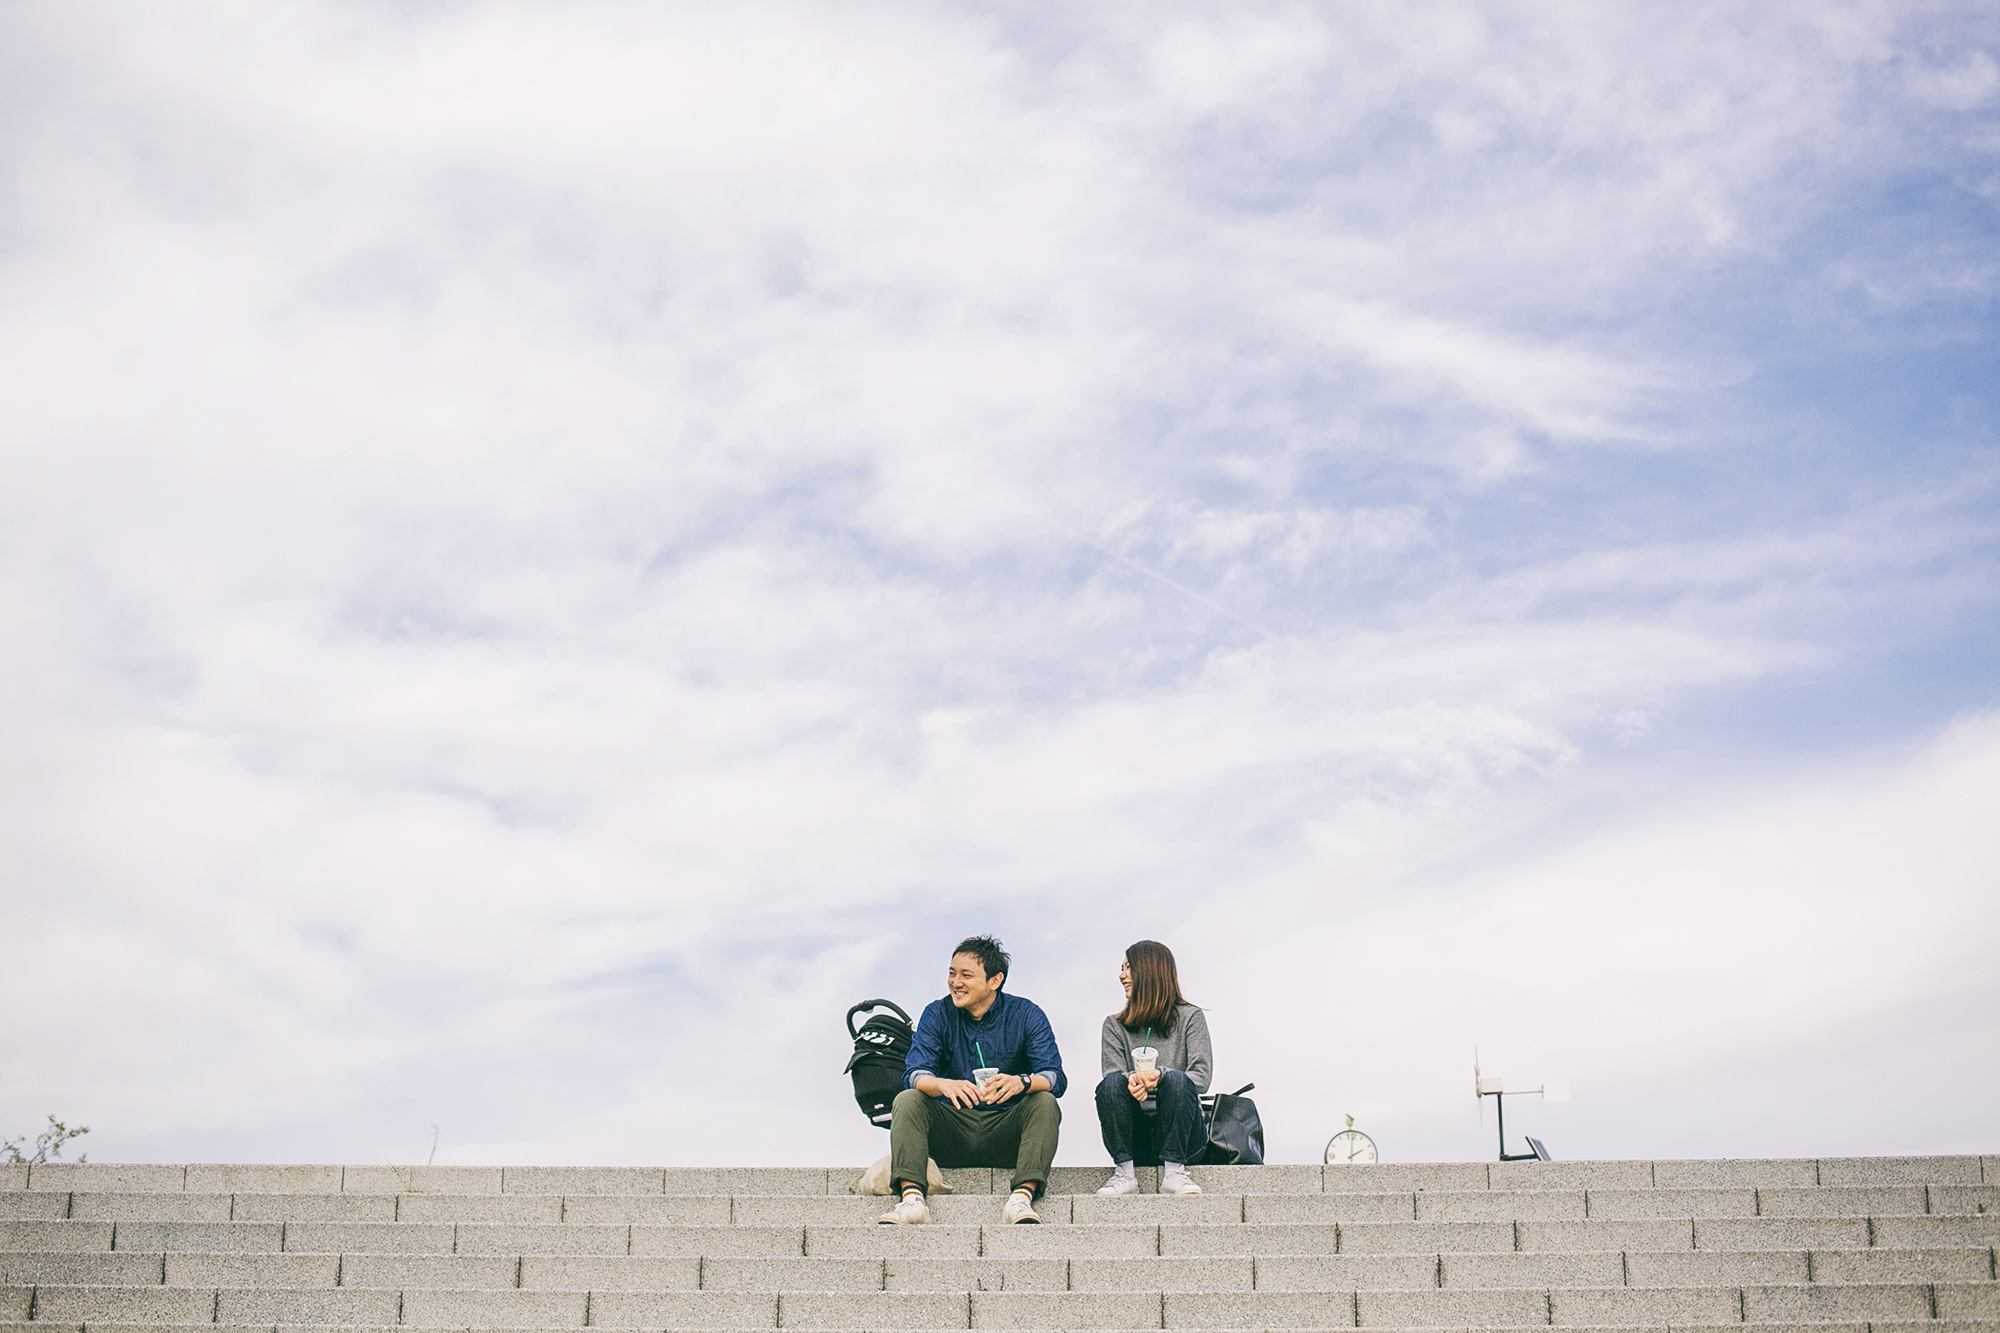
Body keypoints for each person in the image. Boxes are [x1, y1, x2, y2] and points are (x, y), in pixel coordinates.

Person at [880, 935, 1067, 1225]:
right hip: (951, 1130)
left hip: (1006, 1132)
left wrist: (1022, 1082)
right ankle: (913, 1200)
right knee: (908, 1099)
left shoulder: (1026, 1014)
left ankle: (1021, 1198)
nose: (956, 982)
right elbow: (914, 1074)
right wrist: (943, 1084)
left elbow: (1055, 1077)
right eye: (952, 973)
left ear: (995, 981)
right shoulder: (937, 1013)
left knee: (1044, 1101)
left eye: (966, 975)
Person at [1096, 939, 1211, 1196]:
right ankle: (1125, 1174)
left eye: (1128, 968)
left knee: (1179, 1080)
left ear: (1148, 973)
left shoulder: (1191, 1018)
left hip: (1183, 1134)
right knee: (1111, 1084)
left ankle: (1174, 1172)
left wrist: (1161, 1076)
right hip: (1135, 1137)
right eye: (1121, 968)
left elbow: (1201, 1077)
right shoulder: (1113, 1025)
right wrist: (1132, 1081)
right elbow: (1112, 1078)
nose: (1121, 975)